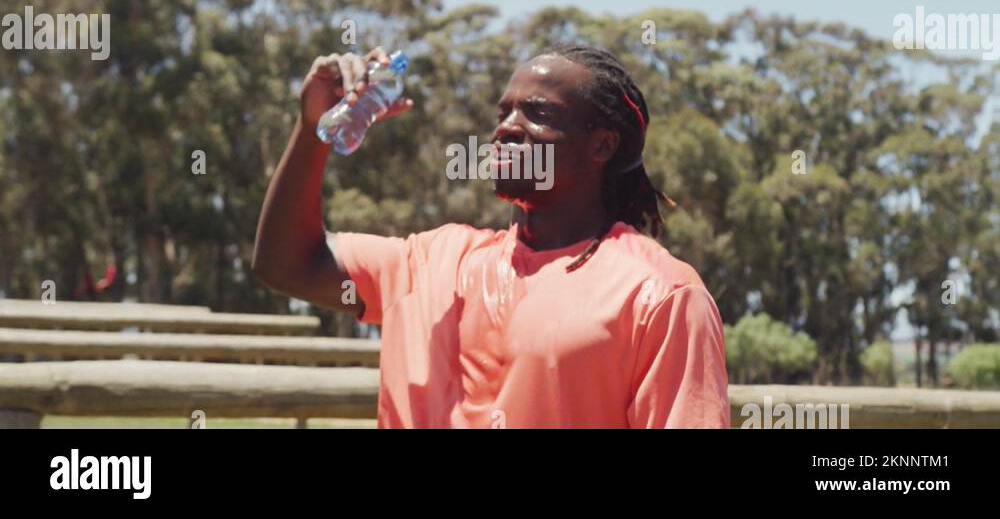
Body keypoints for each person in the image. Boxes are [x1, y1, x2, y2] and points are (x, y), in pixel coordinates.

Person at [253, 44, 730, 428]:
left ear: (602, 144)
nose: (507, 128)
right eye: (503, 113)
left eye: (537, 113)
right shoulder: (430, 260)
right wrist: (314, 130)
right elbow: (284, 264)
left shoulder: (661, 296)